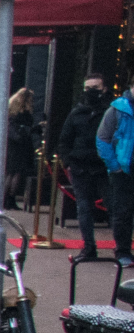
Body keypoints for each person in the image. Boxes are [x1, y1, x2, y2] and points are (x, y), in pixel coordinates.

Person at [60, 78, 113, 254]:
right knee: (83, 208)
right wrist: (68, 161)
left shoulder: (111, 112)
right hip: (80, 166)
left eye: (95, 87)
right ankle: (88, 246)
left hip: (105, 167)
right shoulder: (76, 113)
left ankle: (122, 247)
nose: (91, 91)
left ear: (104, 88)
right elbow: (65, 140)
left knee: (114, 207)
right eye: (87, 88)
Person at [98, 84, 134, 262]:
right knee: (123, 211)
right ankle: (123, 251)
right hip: (124, 168)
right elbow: (103, 138)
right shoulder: (117, 109)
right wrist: (115, 166)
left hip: (123, 165)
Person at [6, 88, 42, 207]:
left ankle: (6, 198)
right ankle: (10, 198)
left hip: (12, 146)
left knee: (10, 173)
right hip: (21, 147)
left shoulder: (11, 113)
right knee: (16, 174)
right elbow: (26, 130)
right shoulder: (24, 115)